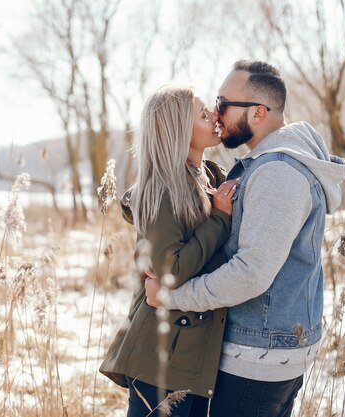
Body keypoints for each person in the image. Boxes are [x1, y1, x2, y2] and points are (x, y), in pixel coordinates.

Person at [145, 60, 345, 417]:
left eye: (223, 103)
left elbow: (251, 273)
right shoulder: (268, 164)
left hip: (257, 357)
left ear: (257, 113)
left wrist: (172, 296)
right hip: (267, 350)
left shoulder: (278, 173)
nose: (217, 113)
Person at [99, 85, 238, 417]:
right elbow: (170, 271)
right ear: (178, 131)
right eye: (203, 115)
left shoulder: (210, 177)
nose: (215, 116)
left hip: (193, 351)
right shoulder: (163, 189)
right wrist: (219, 219)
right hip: (162, 357)